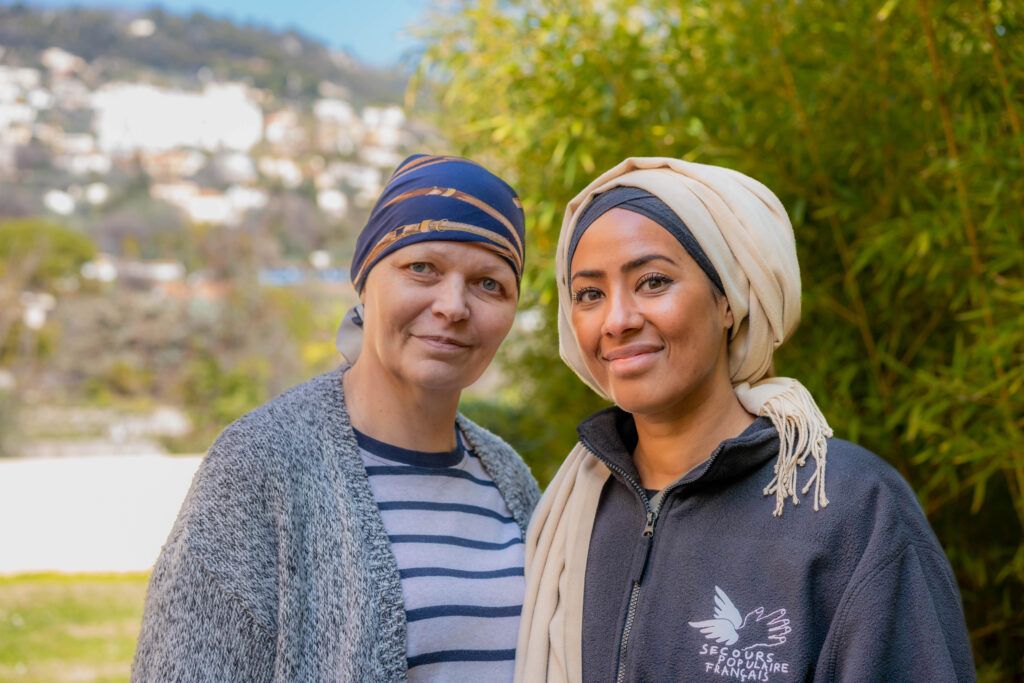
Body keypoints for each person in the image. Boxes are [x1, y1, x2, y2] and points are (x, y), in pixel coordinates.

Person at [515, 157, 974, 682]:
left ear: (728, 300)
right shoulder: (576, 510)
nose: (617, 320)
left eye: (653, 281)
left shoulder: (851, 508)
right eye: (590, 294)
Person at [132, 154, 540, 682]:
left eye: (490, 284)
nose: (453, 305)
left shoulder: (507, 477)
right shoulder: (260, 463)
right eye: (422, 268)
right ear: (365, 282)